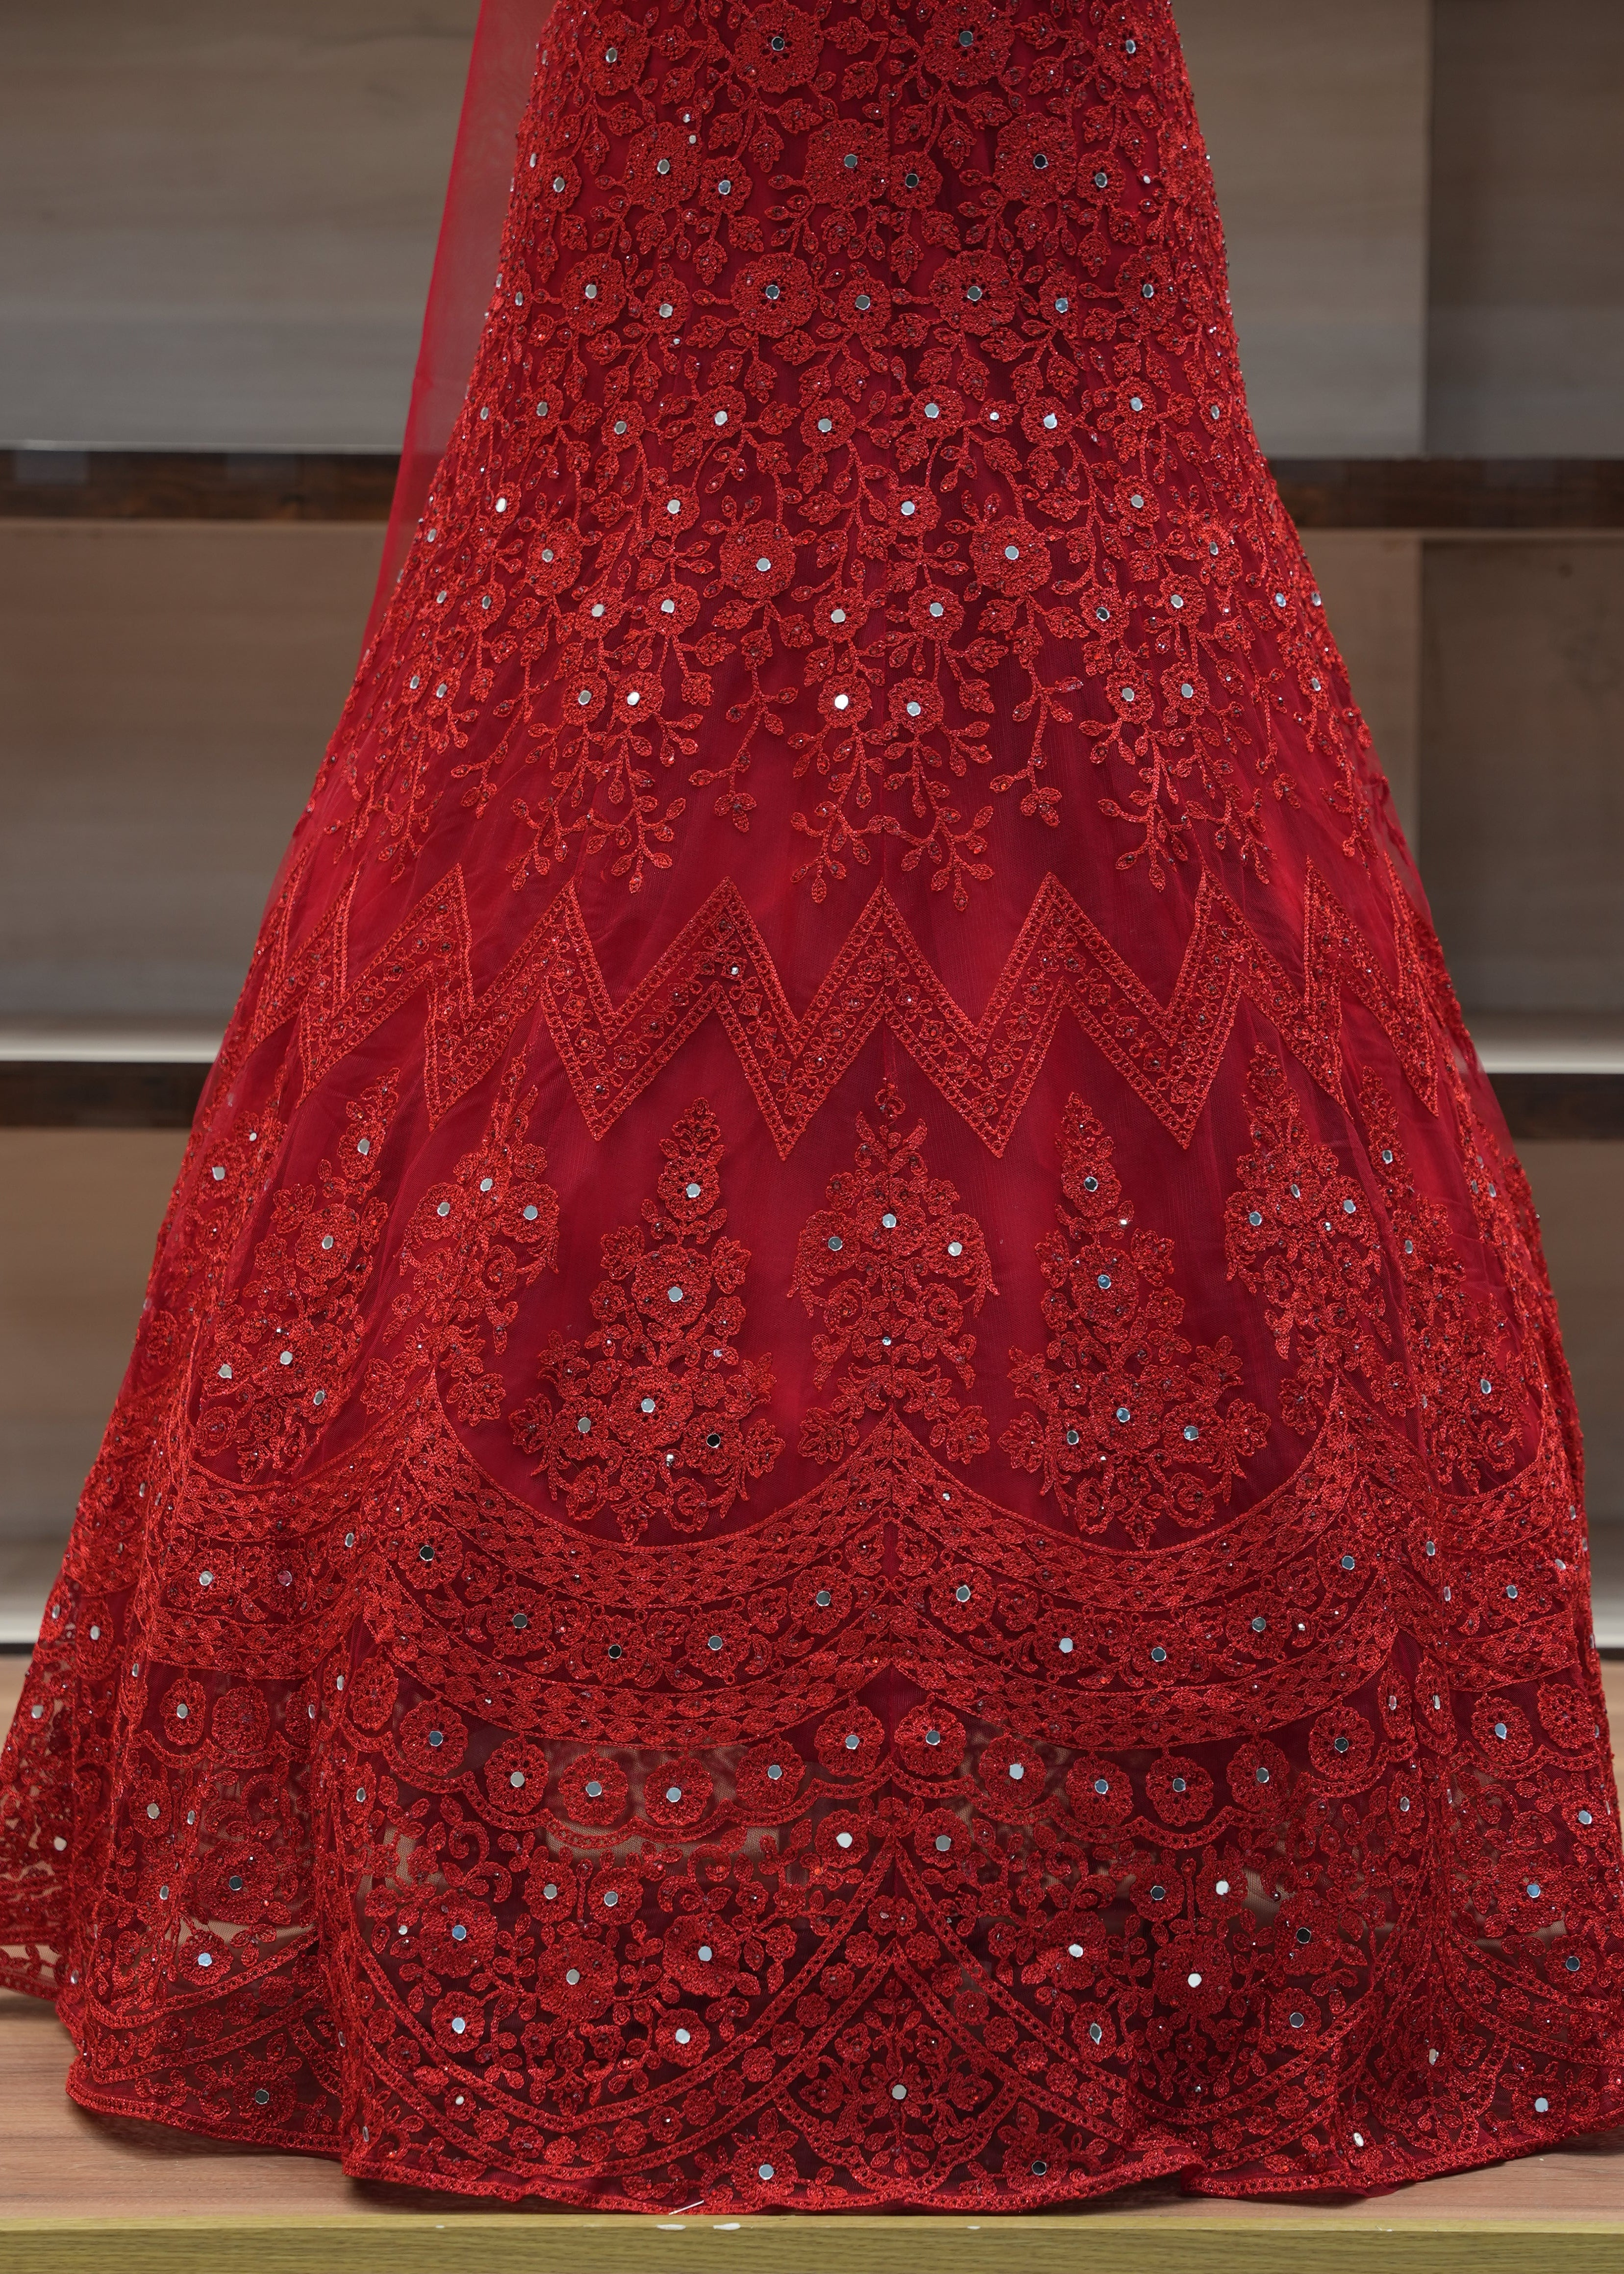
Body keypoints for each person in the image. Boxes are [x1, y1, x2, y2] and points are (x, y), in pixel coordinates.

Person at [3, 0, 1621, 2209]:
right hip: (692, 104)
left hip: (1034, 111)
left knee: (1091, 681)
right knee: (635, 696)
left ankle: (1149, 1829)